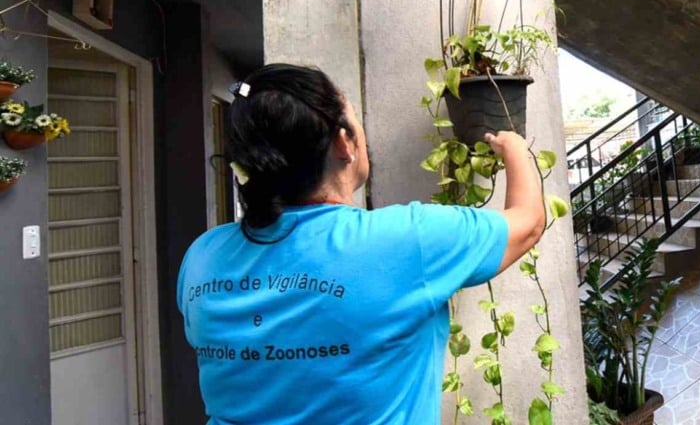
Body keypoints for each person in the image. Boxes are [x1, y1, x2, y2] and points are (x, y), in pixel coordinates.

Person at [177, 63, 545, 424]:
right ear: (343, 142)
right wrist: (514, 149)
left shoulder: (203, 257)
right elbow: (527, 223)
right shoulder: (407, 240)